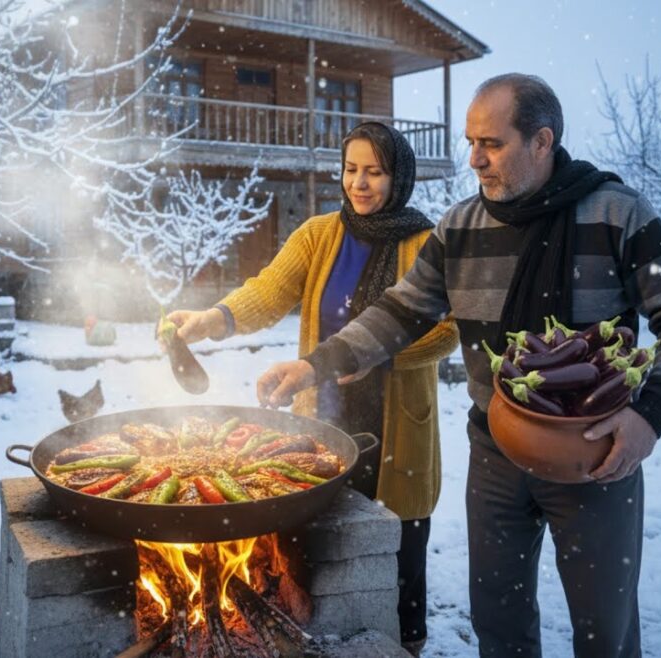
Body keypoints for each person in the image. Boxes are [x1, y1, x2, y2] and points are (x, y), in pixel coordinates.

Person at [256, 74, 661, 657]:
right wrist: (318, 365)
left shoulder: (616, 214)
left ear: (542, 141)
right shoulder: (461, 228)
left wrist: (648, 416)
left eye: (491, 144)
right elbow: (401, 312)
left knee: (605, 627)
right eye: (471, 141)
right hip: (495, 453)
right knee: (498, 620)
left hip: (595, 454)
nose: (474, 158)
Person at [166, 121, 459, 655]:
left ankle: (404, 642)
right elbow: (269, 291)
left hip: (398, 419)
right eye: (351, 170)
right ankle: (320, 631)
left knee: (399, 538)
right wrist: (215, 318)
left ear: (400, 176)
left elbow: (447, 330)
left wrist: (379, 355)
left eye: (375, 172)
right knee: (315, 535)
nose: (360, 184)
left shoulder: (424, 242)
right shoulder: (320, 235)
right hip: (322, 410)